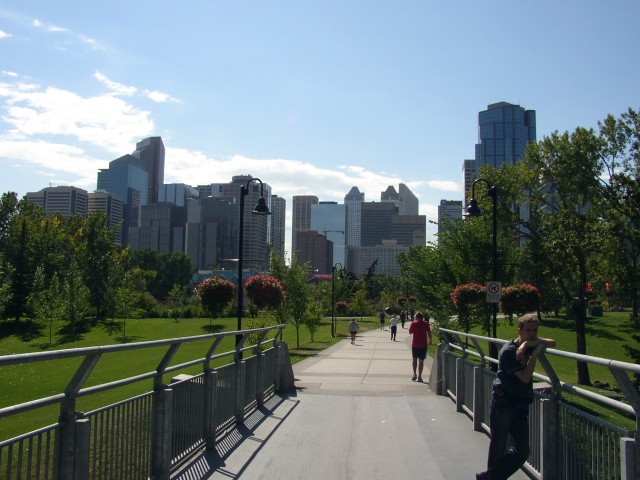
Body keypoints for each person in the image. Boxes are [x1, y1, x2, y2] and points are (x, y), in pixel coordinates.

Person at [476, 314, 556, 480]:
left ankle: (488, 477)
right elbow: (525, 378)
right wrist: (534, 356)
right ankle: (491, 477)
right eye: (528, 330)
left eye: (535, 330)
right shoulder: (509, 352)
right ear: (519, 330)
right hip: (503, 403)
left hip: (519, 405)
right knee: (499, 446)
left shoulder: (527, 345)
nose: (532, 333)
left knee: (522, 451)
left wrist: (529, 343)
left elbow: (552, 342)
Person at [408, 311, 432, 382]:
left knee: (414, 359)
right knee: (421, 361)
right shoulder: (426, 323)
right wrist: (430, 340)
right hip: (423, 345)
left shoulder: (413, 323)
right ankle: (420, 376)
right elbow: (429, 332)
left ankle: (414, 374)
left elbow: (410, 332)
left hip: (415, 344)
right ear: (422, 317)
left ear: (416, 317)